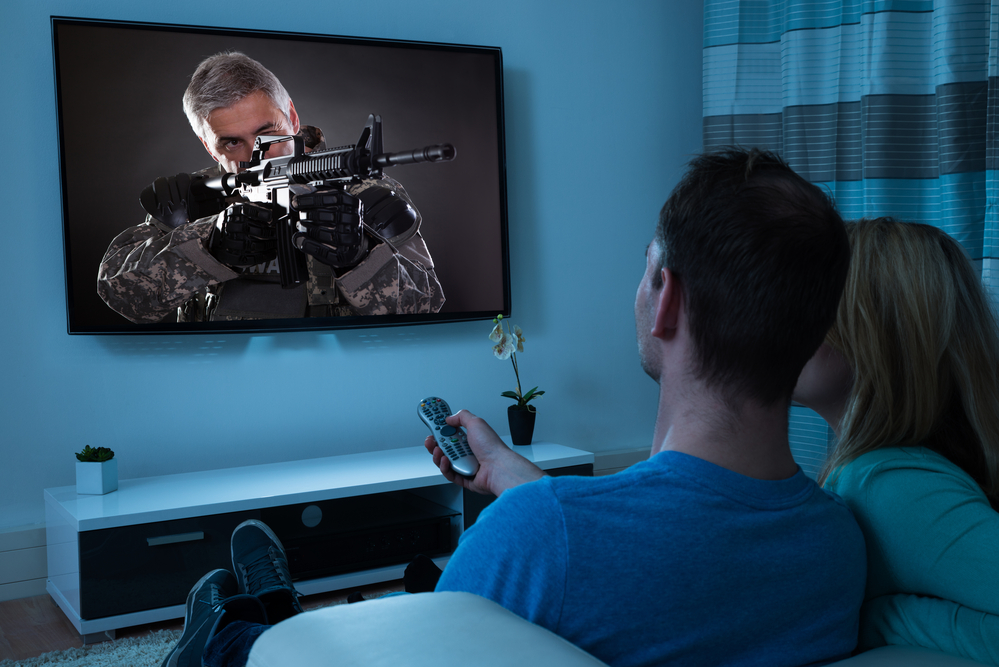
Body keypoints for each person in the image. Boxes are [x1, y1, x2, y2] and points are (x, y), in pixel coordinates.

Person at [160, 148, 866, 667]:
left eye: (645, 268)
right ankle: (275, 601)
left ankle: (248, 623)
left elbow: (413, 650)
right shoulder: (838, 544)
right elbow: (657, 538)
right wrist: (511, 473)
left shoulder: (541, 533)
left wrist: (534, 509)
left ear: (668, 300)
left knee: (243, 638)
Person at [98, 51, 445, 323]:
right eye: (232, 143)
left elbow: (425, 307)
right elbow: (121, 296)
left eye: (269, 133)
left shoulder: (364, 191)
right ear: (208, 145)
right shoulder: (197, 198)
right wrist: (207, 245)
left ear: (292, 117)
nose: (255, 154)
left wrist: (360, 259)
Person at [792, 216, 999, 665]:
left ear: (871, 333)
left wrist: (887, 620)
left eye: (810, 304)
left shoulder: (889, 487)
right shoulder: (887, 475)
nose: (785, 323)